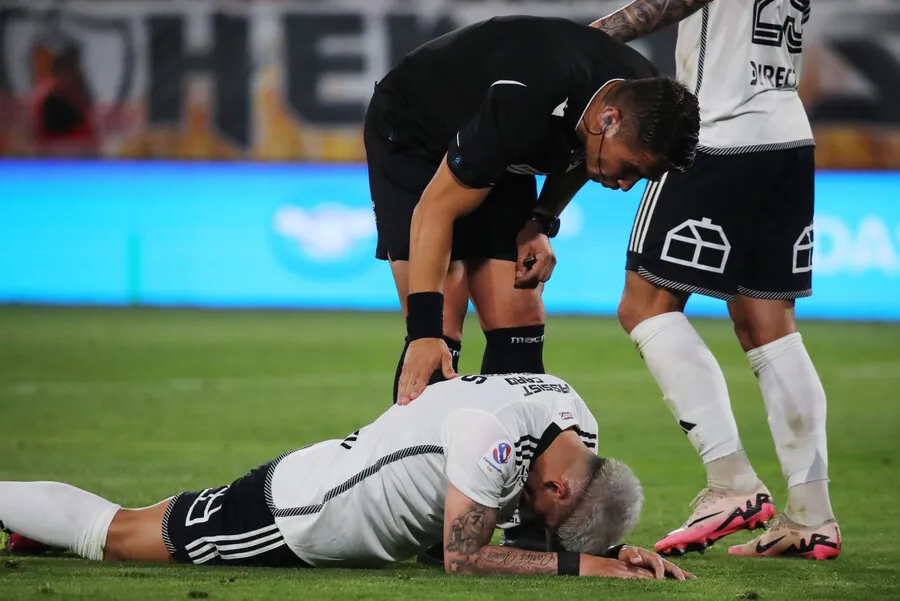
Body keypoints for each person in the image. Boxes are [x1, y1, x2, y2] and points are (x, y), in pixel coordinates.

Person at [0, 374, 693, 580]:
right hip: (302, 514)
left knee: (145, 520)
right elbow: (463, 555)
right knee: (115, 534)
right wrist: (593, 571)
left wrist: (610, 549)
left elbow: (517, 521)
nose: (536, 527)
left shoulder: (576, 420)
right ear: (562, 488)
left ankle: (34, 527)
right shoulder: (494, 434)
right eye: (546, 521)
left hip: (329, 480)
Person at [590, 0, 840, 560]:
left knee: (644, 305)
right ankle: (812, 515)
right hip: (787, 134)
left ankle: (730, 482)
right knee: (768, 325)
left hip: (718, 130)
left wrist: (593, 36)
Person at [365, 15, 700, 407]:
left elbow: (582, 155)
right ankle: (419, 463)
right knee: (440, 322)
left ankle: (508, 462)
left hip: (496, 142)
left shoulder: (639, 98)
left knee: (519, 313)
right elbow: (434, 211)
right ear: (608, 119)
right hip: (415, 134)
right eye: (629, 168)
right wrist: (422, 334)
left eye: (642, 176)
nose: (626, 184)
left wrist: (540, 219)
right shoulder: (524, 102)